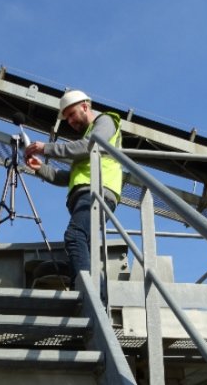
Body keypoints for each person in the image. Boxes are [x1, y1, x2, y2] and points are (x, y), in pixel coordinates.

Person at [24, 90, 123, 289]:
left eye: (71, 114)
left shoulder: (105, 122)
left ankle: (88, 293)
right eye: (66, 117)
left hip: (98, 192)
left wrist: (46, 148)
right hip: (87, 193)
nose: (69, 121)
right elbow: (70, 178)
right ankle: (97, 293)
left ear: (85, 107)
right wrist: (40, 168)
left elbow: (88, 146)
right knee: (83, 244)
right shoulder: (88, 139)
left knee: (75, 236)